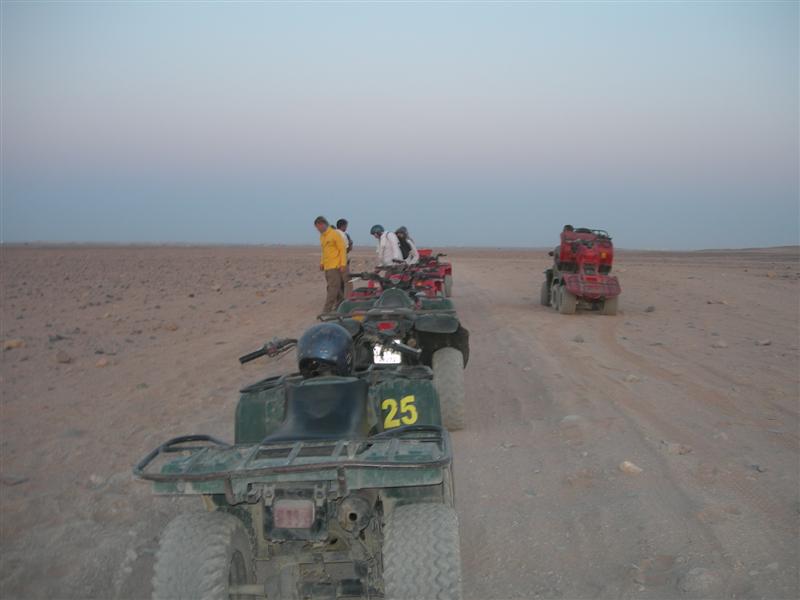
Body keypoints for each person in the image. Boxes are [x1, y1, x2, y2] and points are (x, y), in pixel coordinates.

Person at [314, 216, 347, 313]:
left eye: (318, 227)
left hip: (335, 266)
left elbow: (342, 249)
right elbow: (324, 251)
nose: (317, 230)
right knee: (336, 288)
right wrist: (322, 262)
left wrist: (343, 264)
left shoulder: (334, 234)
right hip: (327, 267)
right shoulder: (323, 236)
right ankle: (342, 306)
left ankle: (326, 310)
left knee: (332, 289)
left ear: (322, 224)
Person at [335, 218, 354, 296]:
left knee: (337, 281)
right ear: (343, 226)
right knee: (348, 281)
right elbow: (345, 249)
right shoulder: (343, 235)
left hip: (333, 262)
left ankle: (338, 299)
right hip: (342, 261)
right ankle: (348, 298)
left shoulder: (332, 234)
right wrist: (350, 244)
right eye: (346, 226)